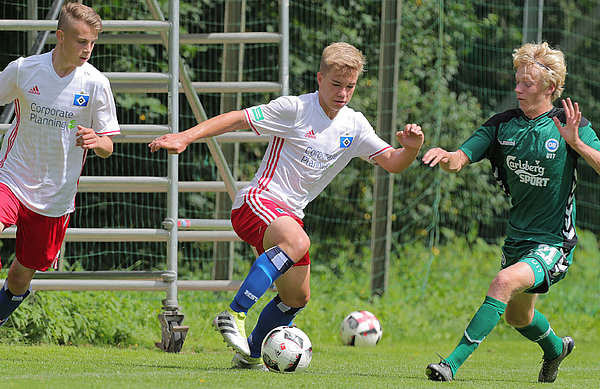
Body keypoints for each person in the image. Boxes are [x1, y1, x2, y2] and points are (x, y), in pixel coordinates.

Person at [149, 42, 424, 370]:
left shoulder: (355, 125)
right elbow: (238, 119)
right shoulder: (295, 109)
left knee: (297, 297)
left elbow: (393, 163)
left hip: (289, 216)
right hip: (257, 202)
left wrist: (412, 148)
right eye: (335, 85)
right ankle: (234, 313)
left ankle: (250, 353)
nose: (342, 93)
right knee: (298, 241)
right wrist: (186, 137)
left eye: (349, 86)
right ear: (319, 78)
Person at [422, 42, 600, 383]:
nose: (517, 88)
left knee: (503, 282)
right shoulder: (503, 125)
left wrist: (577, 144)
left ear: (549, 87)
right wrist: (446, 156)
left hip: (553, 243)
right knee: (519, 317)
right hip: (517, 239)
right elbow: (460, 158)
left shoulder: (569, 124)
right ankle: (555, 349)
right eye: (517, 80)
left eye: (527, 83)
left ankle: (451, 365)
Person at [0, 2, 119, 326]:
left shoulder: (96, 84)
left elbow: (109, 144)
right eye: (82, 41)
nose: (88, 49)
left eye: (93, 42)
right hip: (11, 177)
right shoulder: (25, 69)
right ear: (60, 36)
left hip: (55, 196)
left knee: (22, 277)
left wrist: (99, 142)